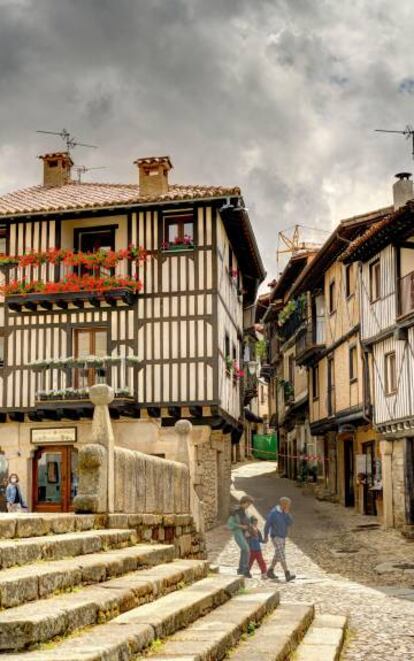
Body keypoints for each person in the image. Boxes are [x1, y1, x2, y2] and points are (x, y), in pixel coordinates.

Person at [264, 496, 295, 582]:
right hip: (276, 536)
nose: (289, 506)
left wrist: (287, 514)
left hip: (283, 537)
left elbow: (291, 523)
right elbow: (267, 525)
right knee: (281, 555)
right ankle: (287, 574)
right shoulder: (274, 513)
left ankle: (270, 571)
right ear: (284, 504)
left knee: (278, 554)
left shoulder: (284, 513)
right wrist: (266, 536)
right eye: (288, 505)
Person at [227, 495, 254, 578]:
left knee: (244, 550)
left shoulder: (244, 511)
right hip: (238, 533)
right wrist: (241, 526)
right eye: (248, 504)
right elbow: (230, 524)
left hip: (244, 533)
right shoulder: (236, 511)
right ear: (244, 502)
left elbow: (247, 522)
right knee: (246, 549)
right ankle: (245, 569)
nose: (249, 506)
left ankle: (241, 569)